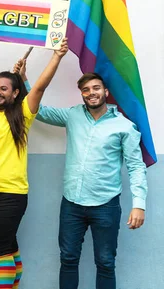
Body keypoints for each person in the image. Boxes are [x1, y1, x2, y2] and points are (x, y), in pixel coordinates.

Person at [14, 59, 147, 289]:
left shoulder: (124, 126)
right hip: (72, 205)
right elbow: (40, 110)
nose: (91, 93)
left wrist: (139, 204)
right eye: (86, 90)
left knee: (105, 263)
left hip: (106, 205)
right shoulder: (72, 116)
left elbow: (136, 166)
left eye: (96, 88)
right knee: (68, 259)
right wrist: (24, 79)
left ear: (105, 91)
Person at [0, 26, 68, 289]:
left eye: (4, 88)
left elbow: (41, 87)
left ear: (15, 93)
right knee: (8, 247)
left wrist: (56, 56)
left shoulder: (23, 113)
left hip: (9, 196)